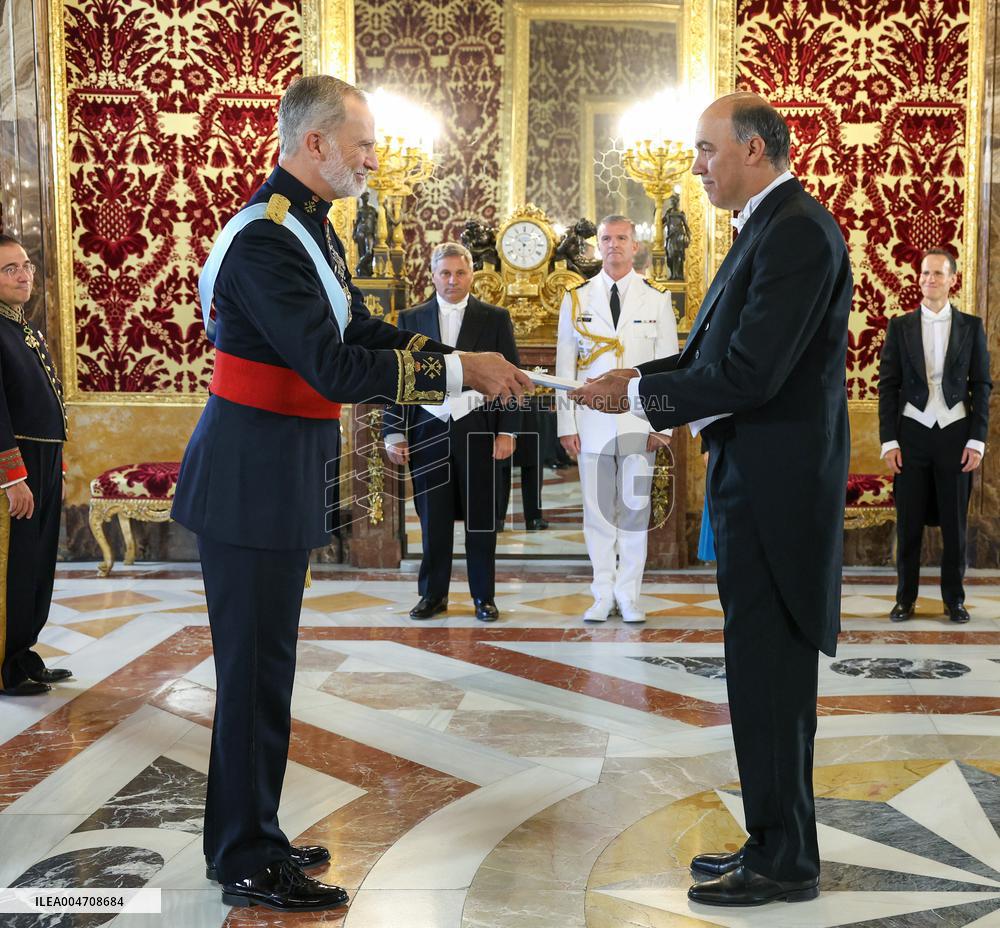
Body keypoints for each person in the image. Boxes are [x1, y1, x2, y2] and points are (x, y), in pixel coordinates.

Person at [171, 76, 529, 913]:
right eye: (363, 143)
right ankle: (246, 855)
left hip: (278, 469)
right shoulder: (265, 239)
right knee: (254, 673)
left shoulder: (308, 231)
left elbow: (355, 331)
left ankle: (250, 828)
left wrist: (451, 360)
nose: (374, 157)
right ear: (315, 143)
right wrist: (454, 367)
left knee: (268, 667)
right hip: (249, 476)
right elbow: (330, 367)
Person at [571, 93, 852, 906]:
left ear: (755, 151)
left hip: (778, 487)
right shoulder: (767, 223)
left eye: (705, 150)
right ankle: (771, 838)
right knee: (756, 672)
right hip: (756, 478)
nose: (694, 165)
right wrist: (638, 377)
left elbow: (751, 375)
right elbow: (713, 352)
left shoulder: (796, 229)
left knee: (771, 675)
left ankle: (785, 861)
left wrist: (636, 399)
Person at [384, 242, 520, 621]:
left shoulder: (494, 318)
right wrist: (394, 431)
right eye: (445, 273)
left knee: (481, 517)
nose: (452, 280)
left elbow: (513, 379)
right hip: (427, 430)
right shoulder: (410, 319)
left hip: (478, 428)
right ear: (432, 275)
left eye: (460, 273)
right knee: (433, 518)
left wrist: (508, 432)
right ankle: (433, 595)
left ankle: (484, 597)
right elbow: (397, 378)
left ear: (471, 275)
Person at [555, 215, 678, 624]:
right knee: (597, 511)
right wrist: (566, 424)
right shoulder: (576, 299)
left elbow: (668, 371)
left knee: (634, 509)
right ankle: (601, 593)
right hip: (591, 424)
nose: (613, 245)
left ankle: (629, 595)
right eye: (606, 238)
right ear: (599, 246)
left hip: (639, 424)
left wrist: (662, 427)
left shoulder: (656, 298)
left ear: (635, 245)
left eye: (622, 238)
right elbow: (564, 369)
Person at [878, 249, 991, 624]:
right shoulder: (900, 327)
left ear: (951, 279)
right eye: (925, 273)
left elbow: (982, 385)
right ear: (919, 278)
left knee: (955, 524)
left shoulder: (971, 327)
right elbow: (888, 387)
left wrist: (977, 440)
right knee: (908, 521)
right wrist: (889, 441)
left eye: (938, 273)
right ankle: (904, 599)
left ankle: (953, 601)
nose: (930, 279)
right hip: (912, 433)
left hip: (956, 434)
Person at [0, 234, 71, 697]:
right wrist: (14, 477)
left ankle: (25, 651)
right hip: (18, 469)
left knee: (40, 565)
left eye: (25, 265)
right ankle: (5, 666)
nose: (25, 274)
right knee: (16, 569)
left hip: (44, 462)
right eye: (10, 269)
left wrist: (55, 463)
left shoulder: (23, 327)